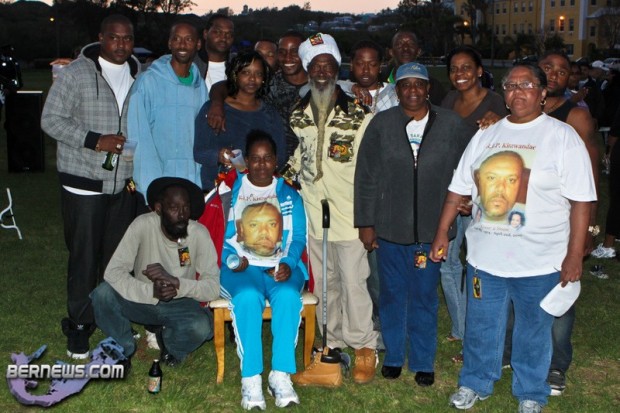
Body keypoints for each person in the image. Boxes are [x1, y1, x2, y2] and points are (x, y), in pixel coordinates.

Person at [430, 63, 596, 413]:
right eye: (511, 85)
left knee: (534, 329)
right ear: (504, 93)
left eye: (527, 85)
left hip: (540, 259)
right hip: (485, 258)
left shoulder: (562, 136)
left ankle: (531, 392)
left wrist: (574, 255)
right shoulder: (486, 135)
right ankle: (475, 381)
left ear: (542, 92)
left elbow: (582, 200)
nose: (518, 92)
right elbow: (457, 188)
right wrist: (442, 232)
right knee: (481, 325)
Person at [354, 62, 472, 386]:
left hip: (432, 231)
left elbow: (471, 164)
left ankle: (422, 360)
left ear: (428, 88)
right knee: (392, 294)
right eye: (405, 85)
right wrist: (366, 223)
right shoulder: (383, 124)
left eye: (418, 85)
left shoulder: (450, 124)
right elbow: (366, 175)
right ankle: (393, 355)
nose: (412, 91)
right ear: (397, 90)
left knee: (423, 295)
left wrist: (469, 198)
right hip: (389, 229)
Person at [41, 15, 141, 359]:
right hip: (83, 184)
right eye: (114, 38)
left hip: (123, 185)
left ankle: (113, 322)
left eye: (127, 38)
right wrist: (95, 140)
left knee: (115, 261)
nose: (121, 44)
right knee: (84, 259)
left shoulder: (138, 75)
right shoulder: (76, 74)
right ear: (100, 38)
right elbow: (50, 120)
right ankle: (80, 326)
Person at [287, 33, 378, 385]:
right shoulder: (298, 113)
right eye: (315, 65)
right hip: (314, 213)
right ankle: (333, 344)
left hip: (350, 215)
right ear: (308, 70)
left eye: (328, 65)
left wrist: (370, 218)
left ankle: (364, 346)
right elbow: (300, 157)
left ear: (337, 68)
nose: (322, 71)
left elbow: (372, 171)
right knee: (326, 283)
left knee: (355, 283)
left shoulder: (360, 114)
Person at [91, 177, 220, 367]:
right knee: (102, 294)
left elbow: (212, 287)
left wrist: (177, 284)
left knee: (202, 327)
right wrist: (151, 291)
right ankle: (122, 348)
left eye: (185, 208)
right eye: (174, 208)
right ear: (159, 209)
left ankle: (170, 346)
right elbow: (113, 272)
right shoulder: (142, 225)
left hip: (180, 303)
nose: (182, 214)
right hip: (142, 299)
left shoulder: (198, 233)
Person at [220, 130, 307, 410]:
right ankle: (251, 377)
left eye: (266, 158)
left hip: (279, 266)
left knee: (288, 297)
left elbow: (297, 239)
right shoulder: (231, 191)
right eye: (255, 159)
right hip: (242, 267)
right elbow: (218, 236)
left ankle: (280, 374)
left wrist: (288, 264)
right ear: (246, 160)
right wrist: (235, 262)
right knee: (246, 297)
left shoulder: (289, 195)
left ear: (275, 161)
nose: (260, 165)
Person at [440, 46, 509, 350]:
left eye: (467, 67)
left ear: (480, 71)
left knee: (478, 262)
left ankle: (481, 326)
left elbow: (511, 146)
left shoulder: (497, 104)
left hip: (484, 196)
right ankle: (462, 327)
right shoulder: (447, 102)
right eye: (454, 69)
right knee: (447, 261)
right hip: (451, 192)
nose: (460, 74)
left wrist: (502, 120)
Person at [128, 20, 208, 196]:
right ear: (169, 43)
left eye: (188, 39)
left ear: (198, 44)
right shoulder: (148, 81)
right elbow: (139, 135)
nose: (182, 44)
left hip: (190, 180)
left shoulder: (200, 86)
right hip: (158, 179)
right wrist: (150, 184)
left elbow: (202, 135)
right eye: (177, 38)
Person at [194, 51, 286, 190]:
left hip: (257, 191)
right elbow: (199, 153)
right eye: (246, 73)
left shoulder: (270, 114)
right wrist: (218, 156)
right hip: (218, 190)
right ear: (235, 75)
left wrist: (260, 164)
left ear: (263, 79)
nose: (252, 79)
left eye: (258, 74)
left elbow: (281, 155)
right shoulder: (214, 110)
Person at [263, 31, 309, 157]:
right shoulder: (267, 86)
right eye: (282, 52)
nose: (288, 57)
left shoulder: (319, 84)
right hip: (278, 164)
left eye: (294, 51)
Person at [381, 30, 445, 105]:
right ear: (391, 52)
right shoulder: (379, 82)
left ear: (418, 51)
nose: (405, 48)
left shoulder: (433, 86)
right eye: (399, 44)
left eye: (411, 44)